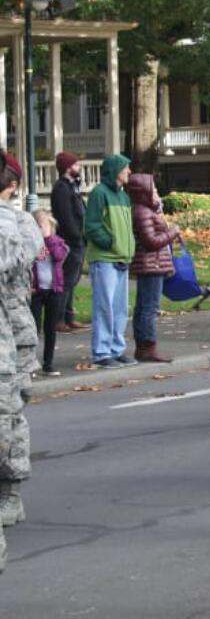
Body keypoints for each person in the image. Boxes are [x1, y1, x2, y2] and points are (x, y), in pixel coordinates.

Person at [0, 152, 40, 527]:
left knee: (8, 417)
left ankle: (10, 494)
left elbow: (23, 256)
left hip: (13, 336)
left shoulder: (18, 221)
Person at [84, 154, 135, 368]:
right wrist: (111, 243)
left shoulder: (124, 196)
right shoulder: (99, 193)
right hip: (105, 259)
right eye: (126, 168)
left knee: (120, 308)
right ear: (116, 171)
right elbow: (92, 225)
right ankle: (102, 351)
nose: (129, 172)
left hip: (121, 258)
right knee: (105, 307)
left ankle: (116, 348)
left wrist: (126, 247)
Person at [128, 174, 178, 363]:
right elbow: (151, 241)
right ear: (144, 192)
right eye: (153, 190)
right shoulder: (143, 212)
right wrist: (172, 232)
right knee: (149, 307)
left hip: (152, 263)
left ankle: (144, 345)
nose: (157, 193)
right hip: (151, 264)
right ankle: (147, 346)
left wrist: (157, 207)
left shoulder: (147, 211)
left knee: (144, 306)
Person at [50, 151, 88, 332]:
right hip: (70, 241)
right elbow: (66, 216)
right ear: (67, 167)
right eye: (76, 164)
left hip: (78, 239)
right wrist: (77, 237)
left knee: (73, 280)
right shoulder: (61, 188)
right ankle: (59, 319)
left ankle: (69, 316)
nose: (79, 166)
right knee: (66, 280)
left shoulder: (73, 186)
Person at [30, 210, 68, 376]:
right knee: (34, 327)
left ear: (51, 226)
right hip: (36, 291)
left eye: (43, 226)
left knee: (50, 328)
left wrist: (49, 239)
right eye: (37, 226)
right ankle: (30, 363)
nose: (40, 229)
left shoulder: (57, 242)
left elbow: (60, 257)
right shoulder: (30, 244)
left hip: (54, 290)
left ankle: (48, 362)